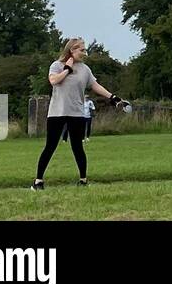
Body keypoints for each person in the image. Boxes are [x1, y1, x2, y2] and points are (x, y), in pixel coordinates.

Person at [32, 38, 128, 190]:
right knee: (50, 146)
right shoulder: (56, 65)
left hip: (76, 113)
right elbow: (53, 81)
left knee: (77, 147)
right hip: (57, 112)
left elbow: (95, 85)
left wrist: (112, 97)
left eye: (84, 50)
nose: (84, 53)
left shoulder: (85, 69)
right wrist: (67, 69)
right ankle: (38, 181)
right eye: (82, 50)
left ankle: (83, 180)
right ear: (72, 50)